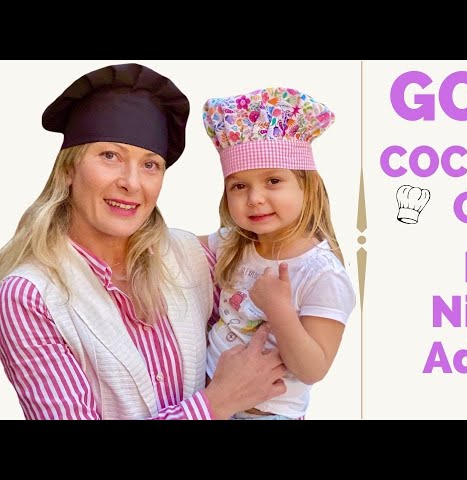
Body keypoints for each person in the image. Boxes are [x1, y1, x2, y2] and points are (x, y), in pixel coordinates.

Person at [0, 63, 286, 420]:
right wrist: (216, 404)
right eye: (110, 156)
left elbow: (274, 346)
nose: (132, 184)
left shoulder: (193, 258)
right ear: (68, 169)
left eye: (151, 164)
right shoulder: (30, 296)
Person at [201, 87, 356, 420]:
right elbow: (176, 246)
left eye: (273, 180)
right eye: (239, 186)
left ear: (307, 187)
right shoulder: (236, 243)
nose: (254, 198)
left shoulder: (321, 273)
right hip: (207, 400)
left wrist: (278, 309)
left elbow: (313, 368)